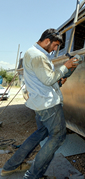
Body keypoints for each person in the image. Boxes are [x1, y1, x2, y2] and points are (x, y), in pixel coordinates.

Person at [1, 29, 78, 179]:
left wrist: (59, 81)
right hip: (48, 105)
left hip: (39, 104)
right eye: (55, 45)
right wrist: (66, 66)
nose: (56, 49)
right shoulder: (38, 56)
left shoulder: (31, 53)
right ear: (47, 41)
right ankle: (32, 175)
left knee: (40, 133)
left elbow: (44, 81)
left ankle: (10, 166)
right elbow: (48, 79)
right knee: (58, 136)